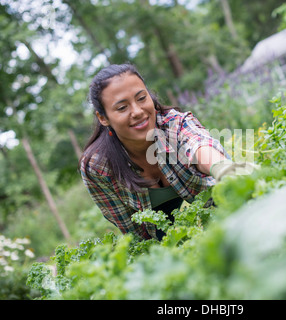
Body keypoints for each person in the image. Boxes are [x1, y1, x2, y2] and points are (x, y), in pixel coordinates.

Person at [79, 63, 254, 240]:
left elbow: (197, 143)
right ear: (103, 117)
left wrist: (221, 167)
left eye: (141, 98)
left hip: (209, 197)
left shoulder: (172, 123)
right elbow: (131, 229)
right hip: (154, 228)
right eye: (122, 108)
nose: (138, 111)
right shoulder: (97, 166)